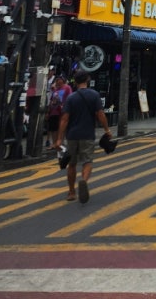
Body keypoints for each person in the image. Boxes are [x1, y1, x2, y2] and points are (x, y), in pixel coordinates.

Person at [56, 69, 112, 204]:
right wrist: (107, 130)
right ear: (87, 80)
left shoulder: (71, 98)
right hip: (87, 134)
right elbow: (100, 114)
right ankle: (84, 181)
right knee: (87, 161)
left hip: (72, 135)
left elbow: (64, 119)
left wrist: (59, 138)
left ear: (75, 82)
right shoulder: (94, 95)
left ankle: (71, 192)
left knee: (72, 164)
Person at [46, 75, 71, 149]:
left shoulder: (67, 87)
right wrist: (48, 111)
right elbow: (51, 100)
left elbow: (70, 98)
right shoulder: (55, 89)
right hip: (54, 111)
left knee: (61, 127)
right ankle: (54, 143)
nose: (58, 81)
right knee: (53, 128)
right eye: (57, 80)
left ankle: (60, 143)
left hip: (62, 111)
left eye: (59, 80)